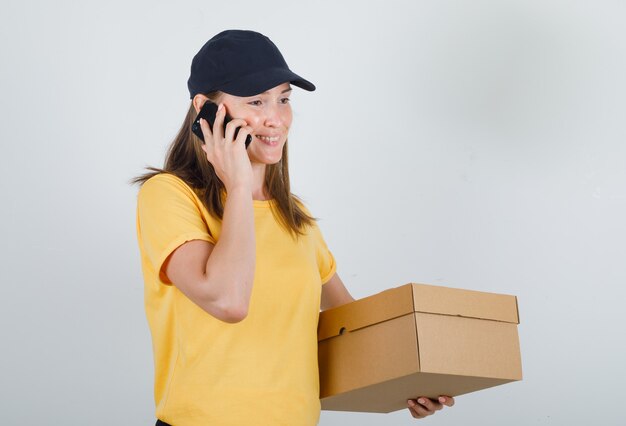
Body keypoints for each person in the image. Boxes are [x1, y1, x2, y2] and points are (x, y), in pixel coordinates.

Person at [134, 29, 454, 426]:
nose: (276, 117)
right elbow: (228, 302)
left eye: (284, 99)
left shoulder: (293, 216)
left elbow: (350, 330)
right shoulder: (169, 195)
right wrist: (237, 185)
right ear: (205, 109)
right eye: (256, 101)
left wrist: (410, 381)